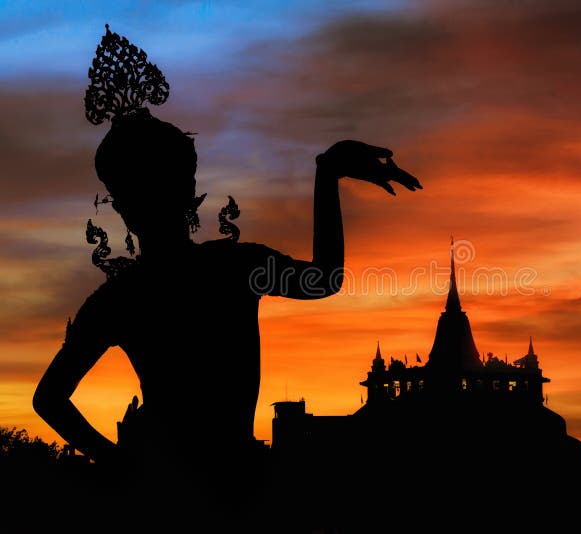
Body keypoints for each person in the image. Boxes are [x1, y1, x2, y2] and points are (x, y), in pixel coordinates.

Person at [32, 25, 421, 525]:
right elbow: (324, 279)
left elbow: (50, 399)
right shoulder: (233, 269)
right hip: (220, 485)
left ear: (123, 208)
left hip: (179, 489)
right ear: (188, 191)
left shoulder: (122, 298)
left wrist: (119, 462)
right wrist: (327, 175)